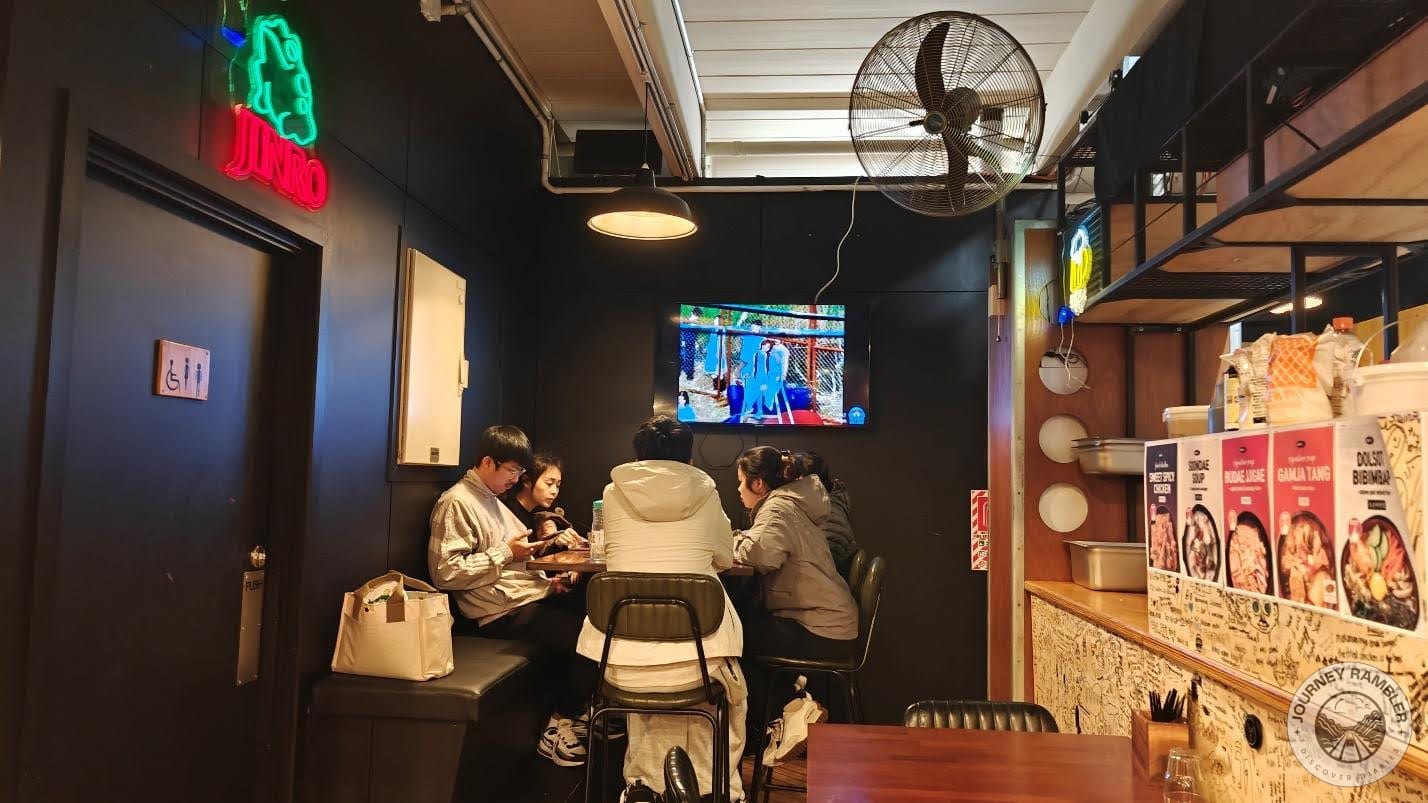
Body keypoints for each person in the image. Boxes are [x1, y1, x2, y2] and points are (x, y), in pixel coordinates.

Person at [575, 415, 748, 801]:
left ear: (637, 457)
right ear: (689, 460)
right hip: (698, 666)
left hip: (619, 664)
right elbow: (724, 556)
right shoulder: (708, 493)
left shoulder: (613, 494)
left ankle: (645, 784)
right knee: (724, 684)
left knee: (645, 666)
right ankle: (708, 789)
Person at [427, 425, 598, 768]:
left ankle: (582, 710)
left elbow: (515, 564)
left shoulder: (492, 502)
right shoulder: (457, 502)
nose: (515, 479)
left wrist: (550, 582)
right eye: (512, 471)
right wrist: (506, 552)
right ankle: (559, 725)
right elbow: (445, 573)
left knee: (597, 607)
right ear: (488, 462)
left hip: (522, 599)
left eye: (520, 472)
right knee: (591, 639)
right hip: (497, 614)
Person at [732, 446, 858, 763]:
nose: (738, 490)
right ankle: (791, 711)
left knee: (729, 640)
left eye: (740, 482)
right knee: (738, 632)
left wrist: (731, 541)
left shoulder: (777, 509)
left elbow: (761, 555)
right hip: (829, 621)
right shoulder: (790, 505)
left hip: (820, 629)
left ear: (757, 484)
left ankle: (791, 712)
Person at [502, 452, 589, 550]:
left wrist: (557, 542)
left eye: (558, 485)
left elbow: (533, 555)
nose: (554, 491)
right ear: (527, 481)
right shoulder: (507, 511)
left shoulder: (532, 516)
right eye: (549, 483)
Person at [795, 451, 858, 577]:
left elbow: (819, 566)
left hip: (824, 590)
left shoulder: (830, 518)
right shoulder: (822, 504)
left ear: (806, 482)